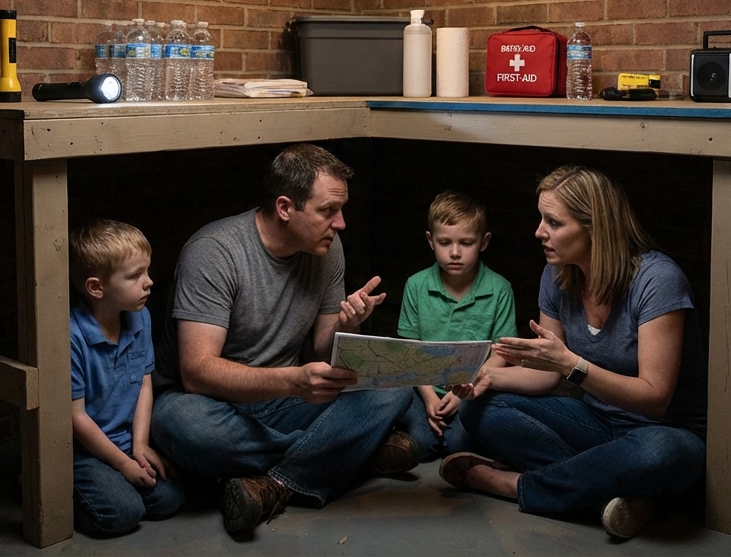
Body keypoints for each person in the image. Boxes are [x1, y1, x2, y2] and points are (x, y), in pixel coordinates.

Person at [151, 144, 416, 537]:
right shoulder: (214, 252)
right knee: (178, 424)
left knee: (392, 388)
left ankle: (272, 483)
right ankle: (347, 452)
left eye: (341, 210)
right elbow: (197, 372)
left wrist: (351, 326)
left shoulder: (327, 248)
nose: (340, 223)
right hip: (213, 405)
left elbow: (327, 348)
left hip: (285, 402)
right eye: (328, 210)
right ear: (285, 207)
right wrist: (292, 381)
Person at [440, 165, 707, 540]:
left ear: (595, 228)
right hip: (596, 424)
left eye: (553, 222)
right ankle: (616, 493)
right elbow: (548, 374)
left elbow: (655, 399)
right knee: (481, 407)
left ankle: (515, 485)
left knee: (659, 454)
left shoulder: (657, 280)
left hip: (663, 432)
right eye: (540, 218)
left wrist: (573, 365)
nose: (539, 231)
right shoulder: (558, 274)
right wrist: (487, 376)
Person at [68, 219, 185, 536]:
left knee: (170, 499)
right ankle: (57, 485)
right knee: (122, 513)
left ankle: (115, 486)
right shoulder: (72, 335)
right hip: (83, 450)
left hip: (124, 439)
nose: (148, 282)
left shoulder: (140, 315)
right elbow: (75, 418)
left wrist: (140, 446)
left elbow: (145, 382)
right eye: (135, 276)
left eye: (146, 271)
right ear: (96, 287)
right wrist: (122, 466)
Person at [397, 190, 516, 461]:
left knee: (459, 445)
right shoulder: (416, 285)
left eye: (466, 243)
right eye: (444, 242)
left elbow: (502, 352)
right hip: (423, 388)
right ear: (430, 241)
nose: (454, 253)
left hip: (474, 393)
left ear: (484, 242)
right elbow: (410, 350)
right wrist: (429, 397)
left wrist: (465, 393)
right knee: (422, 444)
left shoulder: (499, 289)